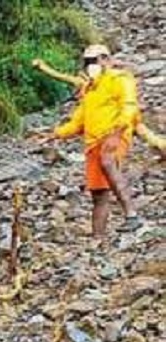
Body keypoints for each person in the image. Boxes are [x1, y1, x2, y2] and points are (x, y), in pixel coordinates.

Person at [43, 44, 142, 238]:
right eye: (87, 62)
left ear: (106, 59)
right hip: (93, 143)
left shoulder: (119, 79)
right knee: (98, 194)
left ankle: (132, 215)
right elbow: (77, 122)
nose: (91, 65)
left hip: (115, 134)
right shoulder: (89, 89)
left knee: (108, 161)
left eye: (94, 60)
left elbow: (129, 107)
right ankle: (98, 239)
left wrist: (116, 133)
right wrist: (54, 134)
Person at [31, 57, 166, 160]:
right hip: (117, 115)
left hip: (116, 117)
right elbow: (62, 77)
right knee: (143, 132)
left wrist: (43, 67)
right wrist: (43, 67)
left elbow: (61, 77)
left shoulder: (110, 80)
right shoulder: (88, 83)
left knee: (140, 132)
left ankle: (161, 147)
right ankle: (161, 148)